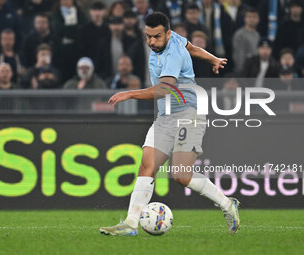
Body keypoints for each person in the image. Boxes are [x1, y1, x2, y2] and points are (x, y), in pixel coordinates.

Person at [100, 12, 240, 236]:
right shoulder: (172, 37)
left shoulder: (173, 52)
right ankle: (130, 224)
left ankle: (227, 204)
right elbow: (193, 48)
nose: (151, 42)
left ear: (166, 33)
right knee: (147, 166)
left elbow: (164, 89)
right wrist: (212, 58)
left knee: (181, 174)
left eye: (156, 37)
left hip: (189, 111)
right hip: (165, 115)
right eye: (148, 37)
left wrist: (130, 94)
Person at [232, 7, 260, 74]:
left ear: (258, 19)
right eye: (249, 17)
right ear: (245, 19)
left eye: (254, 17)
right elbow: (238, 55)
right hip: (244, 72)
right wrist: (241, 71)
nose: (252, 19)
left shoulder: (257, 34)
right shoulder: (240, 34)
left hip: (254, 71)